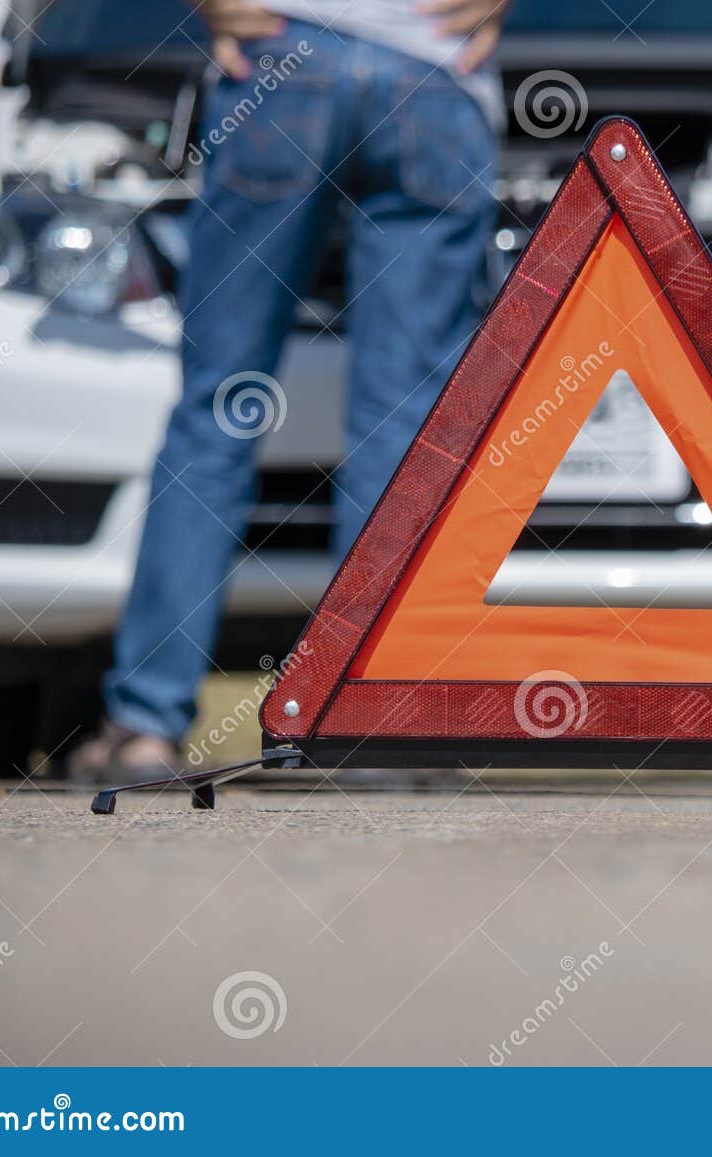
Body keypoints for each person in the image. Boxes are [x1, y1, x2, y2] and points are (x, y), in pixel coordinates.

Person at [69, 0, 509, 776]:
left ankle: (145, 727)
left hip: (280, 58)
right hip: (435, 73)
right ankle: (377, 727)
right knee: (402, 425)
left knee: (218, 405)